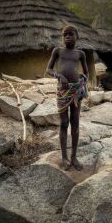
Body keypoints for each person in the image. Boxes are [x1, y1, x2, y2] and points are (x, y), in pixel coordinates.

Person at [46, 25, 89, 170]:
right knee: (64, 122)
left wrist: (83, 78)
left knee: (75, 123)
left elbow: (86, 73)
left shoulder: (80, 54)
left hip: (76, 91)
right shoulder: (57, 51)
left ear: (77, 36)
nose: (67, 37)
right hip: (62, 91)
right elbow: (49, 69)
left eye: (70, 34)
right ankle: (64, 157)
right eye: (64, 35)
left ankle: (74, 157)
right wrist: (59, 75)